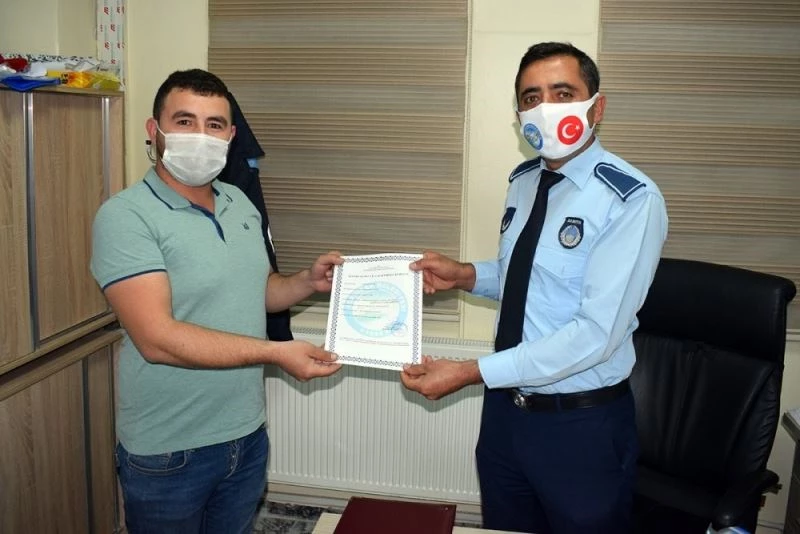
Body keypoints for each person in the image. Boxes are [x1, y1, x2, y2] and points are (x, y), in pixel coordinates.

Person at [401, 42, 668, 534]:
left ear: (596, 107)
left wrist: (470, 372)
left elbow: (595, 335)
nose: (545, 108)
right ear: (519, 113)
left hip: (580, 426)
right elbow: (528, 279)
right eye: (531, 97)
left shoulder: (630, 200)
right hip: (505, 416)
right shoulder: (524, 181)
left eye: (562, 93)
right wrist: (465, 275)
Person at [90, 69, 343, 534]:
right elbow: (156, 339)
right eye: (185, 121)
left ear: (230, 136)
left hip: (246, 436)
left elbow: (259, 291)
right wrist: (275, 353)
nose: (200, 136)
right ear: (155, 130)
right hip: (169, 450)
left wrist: (306, 281)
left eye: (214, 125)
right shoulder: (126, 217)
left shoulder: (239, 203)